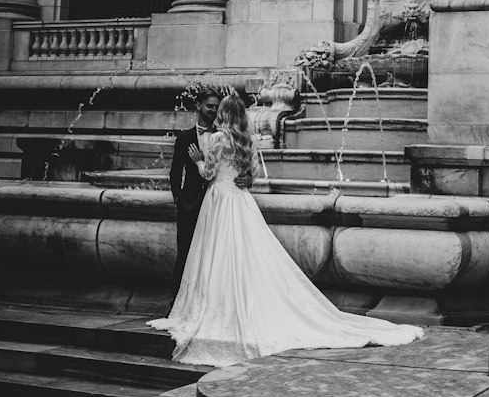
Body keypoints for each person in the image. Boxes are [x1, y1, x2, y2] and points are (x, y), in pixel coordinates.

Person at [150, 93, 424, 367]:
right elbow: (253, 173)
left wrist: (199, 159)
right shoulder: (247, 139)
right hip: (239, 200)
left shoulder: (219, 138)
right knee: (244, 253)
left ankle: (218, 305)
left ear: (223, 112)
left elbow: (209, 174)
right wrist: (243, 178)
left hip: (219, 199)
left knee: (216, 253)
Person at [168, 84, 250, 295]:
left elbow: (241, 166)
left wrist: (248, 177)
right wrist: (179, 197)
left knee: (216, 256)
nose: (213, 111)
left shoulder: (225, 136)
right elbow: (175, 171)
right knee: (186, 253)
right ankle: (178, 301)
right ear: (198, 106)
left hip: (218, 205)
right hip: (191, 203)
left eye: (216, 107)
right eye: (209, 107)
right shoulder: (185, 137)